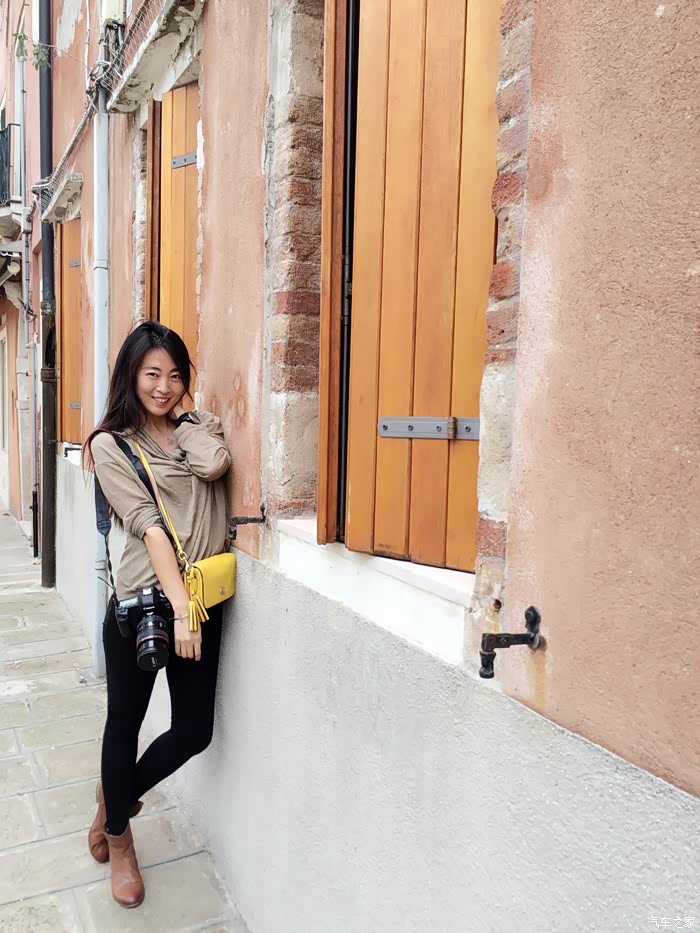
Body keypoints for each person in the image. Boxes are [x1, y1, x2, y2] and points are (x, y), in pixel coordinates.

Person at [83, 321, 231, 908]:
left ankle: (112, 800)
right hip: (145, 606)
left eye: (174, 375)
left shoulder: (196, 430)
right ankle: (121, 840)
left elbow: (215, 467)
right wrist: (182, 611)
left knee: (194, 730)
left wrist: (188, 422)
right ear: (131, 375)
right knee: (125, 723)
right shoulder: (110, 445)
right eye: (151, 374)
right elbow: (148, 527)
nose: (163, 387)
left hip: (201, 599)